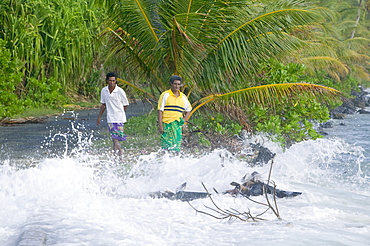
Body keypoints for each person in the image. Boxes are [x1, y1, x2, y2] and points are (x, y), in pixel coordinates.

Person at [96, 72, 129, 158]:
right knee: (114, 138)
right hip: (110, 117)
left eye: (113, 81)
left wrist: (121, 113)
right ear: (107, 81)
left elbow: (125, 104)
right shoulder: (104, 91)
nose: (112, 82)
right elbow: (103, 105)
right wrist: (99, 117)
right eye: (110, 80)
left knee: (116, 138)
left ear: (116, 81)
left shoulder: (120, 91)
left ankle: (120, 154)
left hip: (119, 117)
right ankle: (116, 155)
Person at [158, 75, 192, 152]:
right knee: (166, 145)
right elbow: (160, 110)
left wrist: (184, 120)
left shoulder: (183, 97)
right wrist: (160, 125)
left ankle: (175, 162)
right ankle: (165, 162)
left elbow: (189, 109)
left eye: (178, 84)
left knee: (176, 146)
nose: (177, 86)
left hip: (177, 125)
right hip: (167, 124)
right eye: (175, 84)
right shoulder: (165, 95)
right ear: (171, 84)